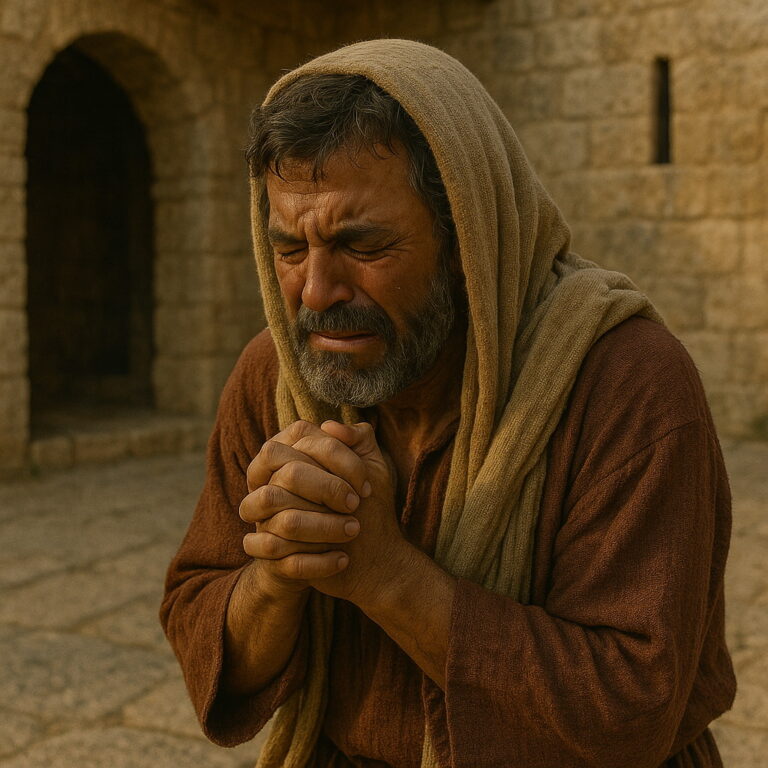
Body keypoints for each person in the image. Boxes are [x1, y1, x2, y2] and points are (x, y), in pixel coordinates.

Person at [160, 39, 736, 768]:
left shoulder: (626, 385)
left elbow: (628, 711)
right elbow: (201, 616)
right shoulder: (276, 379)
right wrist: (277, 573)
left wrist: (385, 574)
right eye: (290, 249)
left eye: (362, 246)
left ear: (469, 234)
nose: (314, 292)